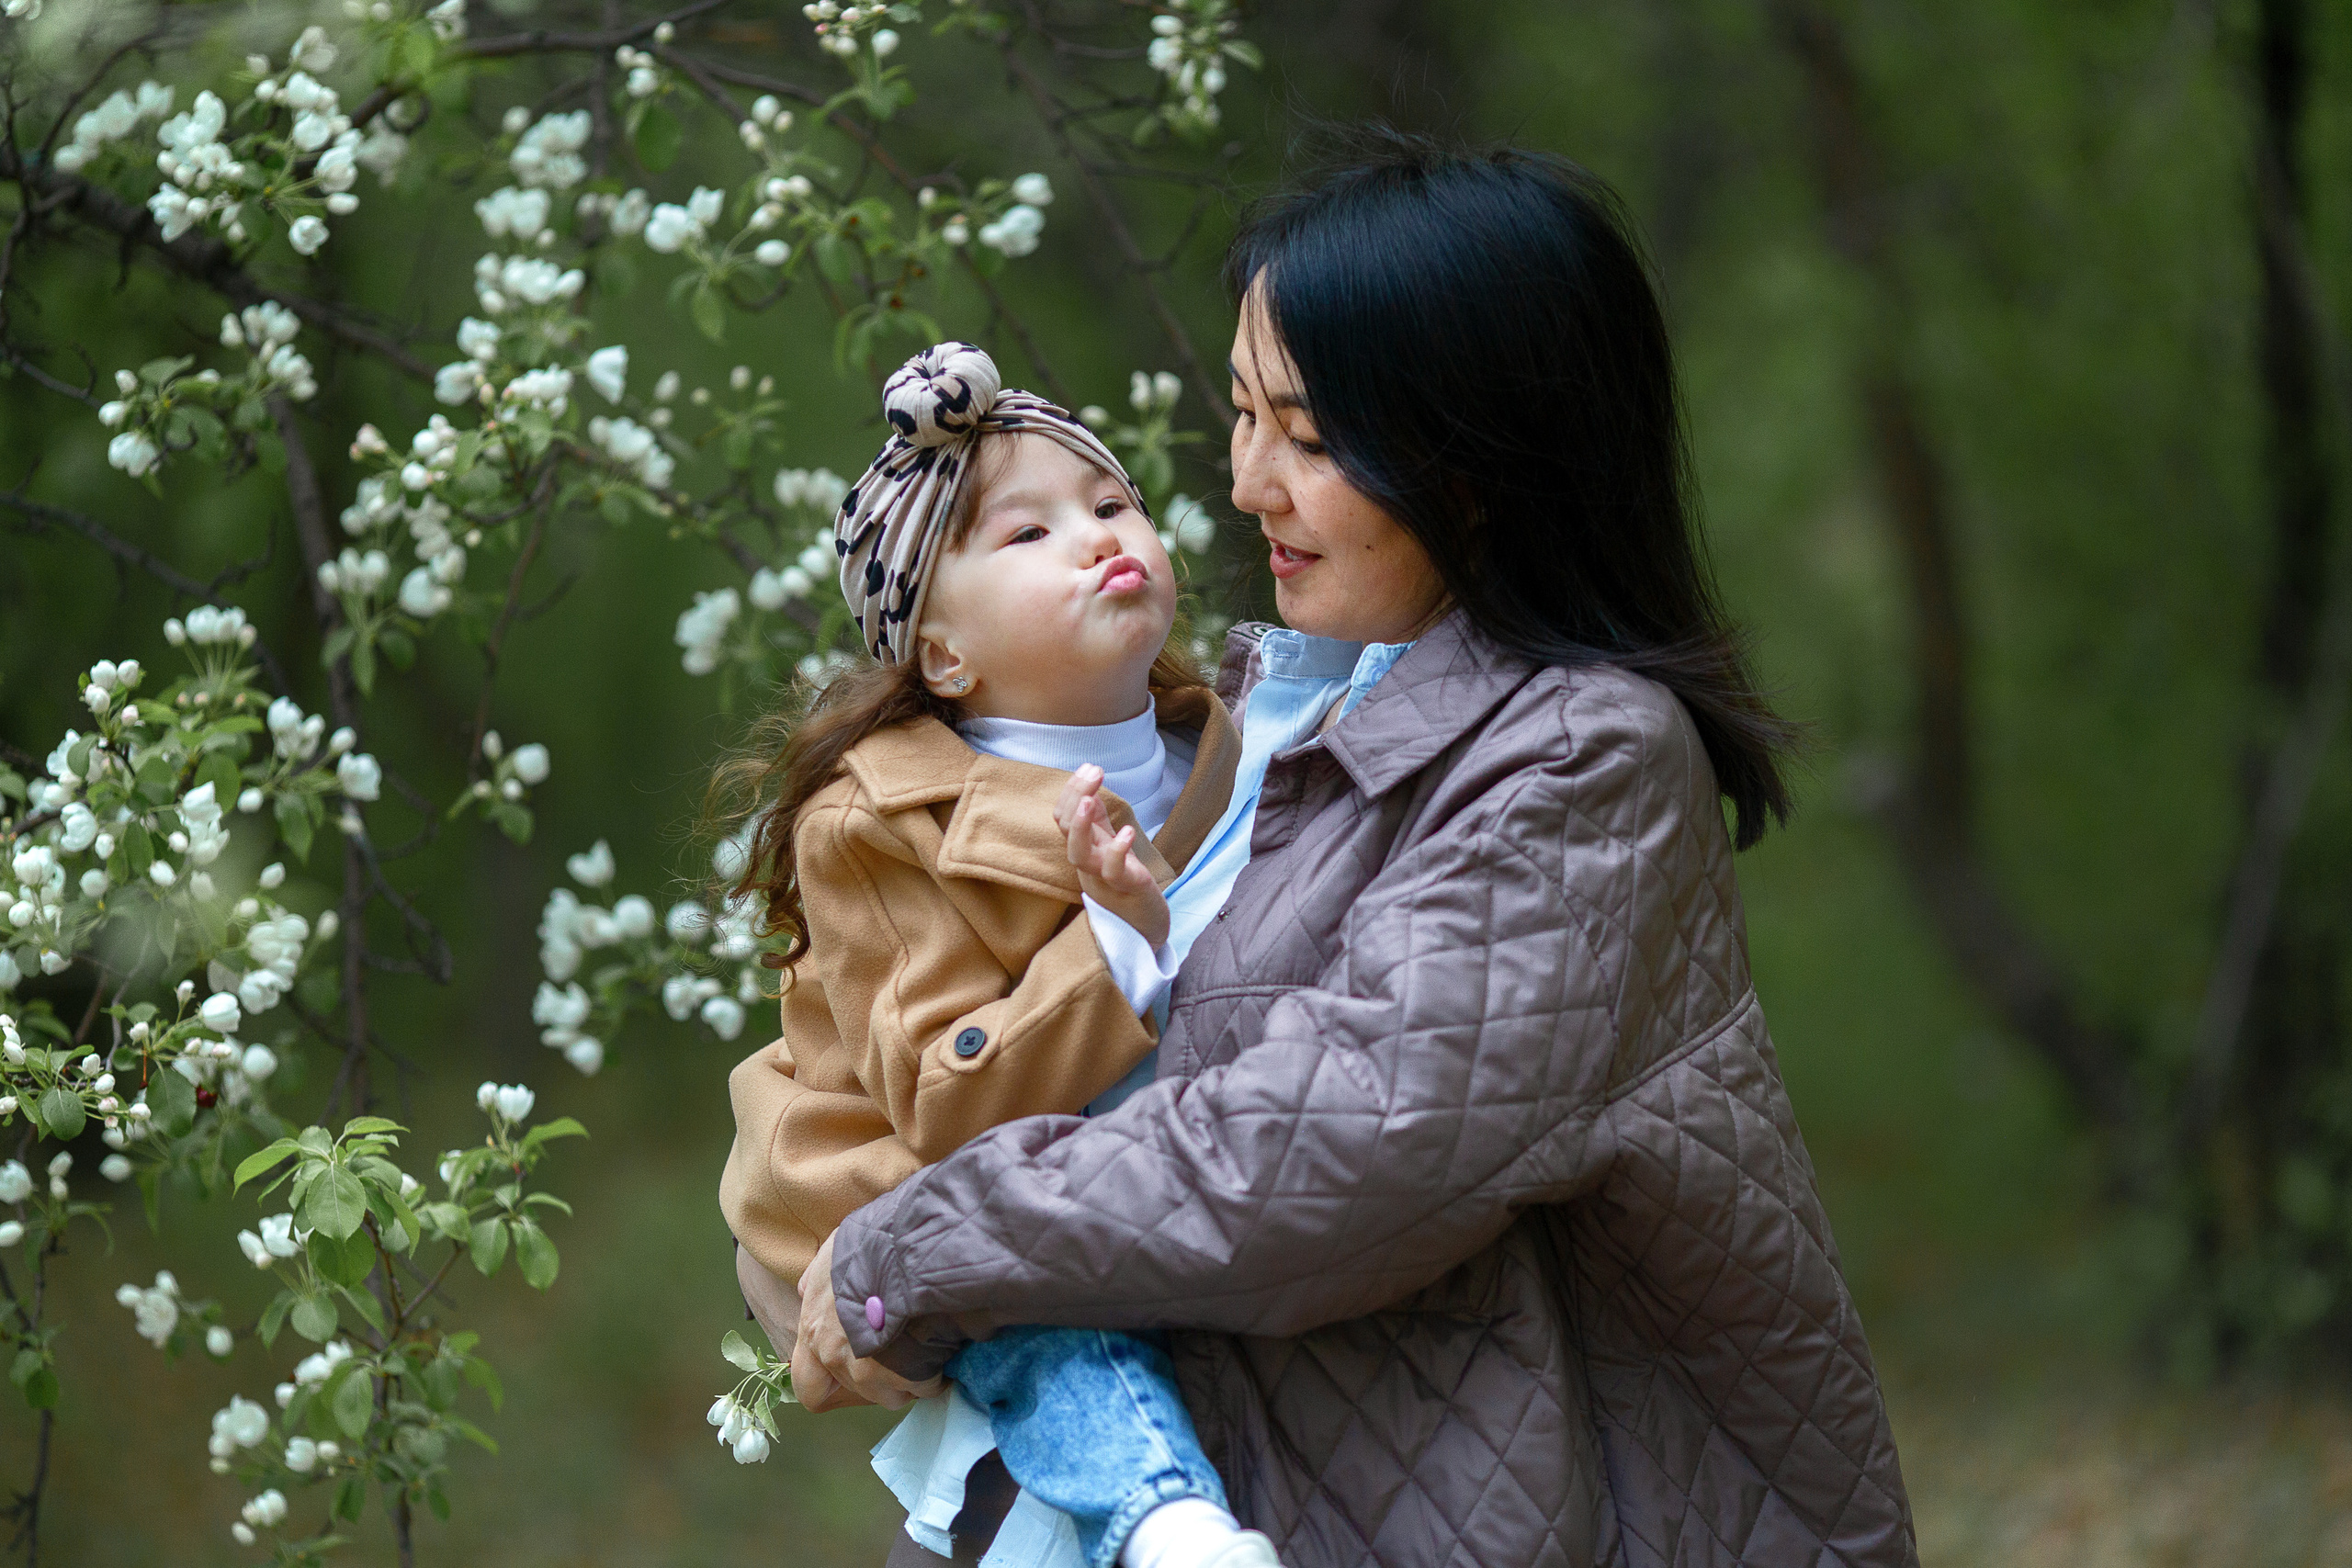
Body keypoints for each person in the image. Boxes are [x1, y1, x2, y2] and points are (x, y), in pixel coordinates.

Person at [797, 129, 1922, 1567]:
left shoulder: (1579, 758)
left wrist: (908, 1250)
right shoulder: (1260, 714)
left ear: (1479, 470)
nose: (1248, 482)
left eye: (1314, 440)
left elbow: (1325, 1150)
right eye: (1244, 414)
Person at [717, 342, 1283, 1568]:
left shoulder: (1233, 751)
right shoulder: (879, 824)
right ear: (943, 656)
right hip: (947, 1192)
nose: (1095, 535)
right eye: (1027, 536)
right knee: (1036, 1300)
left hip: (1165, 1205)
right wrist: (1121, 943)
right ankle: (1165, 1524)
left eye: (1111, 502)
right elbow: (943, 1099)